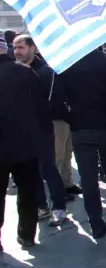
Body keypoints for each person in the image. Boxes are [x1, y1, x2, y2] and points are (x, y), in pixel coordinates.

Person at [58, 47, 106, 239]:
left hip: (81, 127)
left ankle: (96, 223)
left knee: (88, 177)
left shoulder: (68, 62)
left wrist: (72, 118)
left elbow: (56, 101)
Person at [13, 35, 68, 226]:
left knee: (48, 168)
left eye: (21, 47)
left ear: (33, 48)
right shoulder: (15, 71)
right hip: (23, 131)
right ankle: (41, 206)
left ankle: (59, 207)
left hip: (44, 128)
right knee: (31, 170)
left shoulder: (46, 71)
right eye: (15, 47)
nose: (17, 51)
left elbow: (53, 101)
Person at [0, 37, 43, 249]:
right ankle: (27, 235)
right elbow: (41, 108)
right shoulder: (26, 73)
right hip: (25, 146)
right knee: (28, 193)